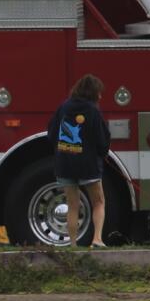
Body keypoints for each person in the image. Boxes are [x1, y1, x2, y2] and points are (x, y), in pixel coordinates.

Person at [50, 74, 111, 248]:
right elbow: (102, 138)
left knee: (72, 205)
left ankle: (73, 245)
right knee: (98, 202)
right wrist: (103, 153)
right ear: (93, 93)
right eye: (99, 93)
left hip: (64, 164)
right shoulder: (93, 110)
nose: (100, 96)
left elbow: (52, 133)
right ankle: (97, 239)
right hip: (88, 165)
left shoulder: (63, 107)